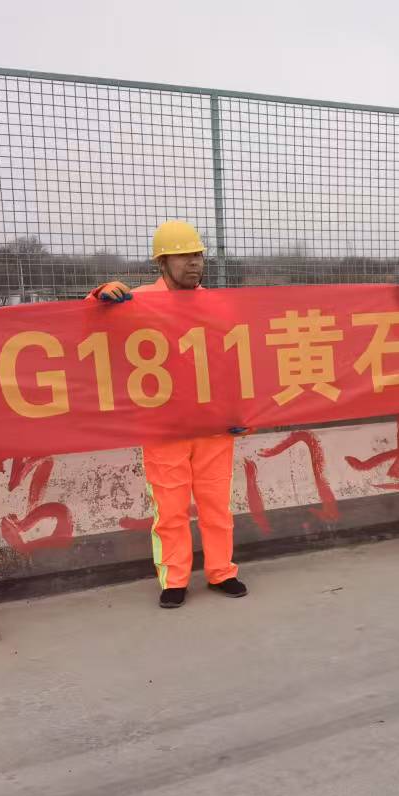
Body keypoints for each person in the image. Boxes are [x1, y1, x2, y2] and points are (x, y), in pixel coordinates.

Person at [90, 221, 249, 605]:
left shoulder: (216, 304)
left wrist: (241, 411)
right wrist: (98, 295)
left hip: (213, 424)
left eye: (198, 255)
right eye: (184, 256)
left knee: (216, 506)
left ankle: (221, 571)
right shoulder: (137, 302)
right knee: (170, 508)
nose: (195, 263)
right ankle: (174, 579)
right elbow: (83, 324)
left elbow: (234, 360)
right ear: (162, 262)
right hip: (163, 427)